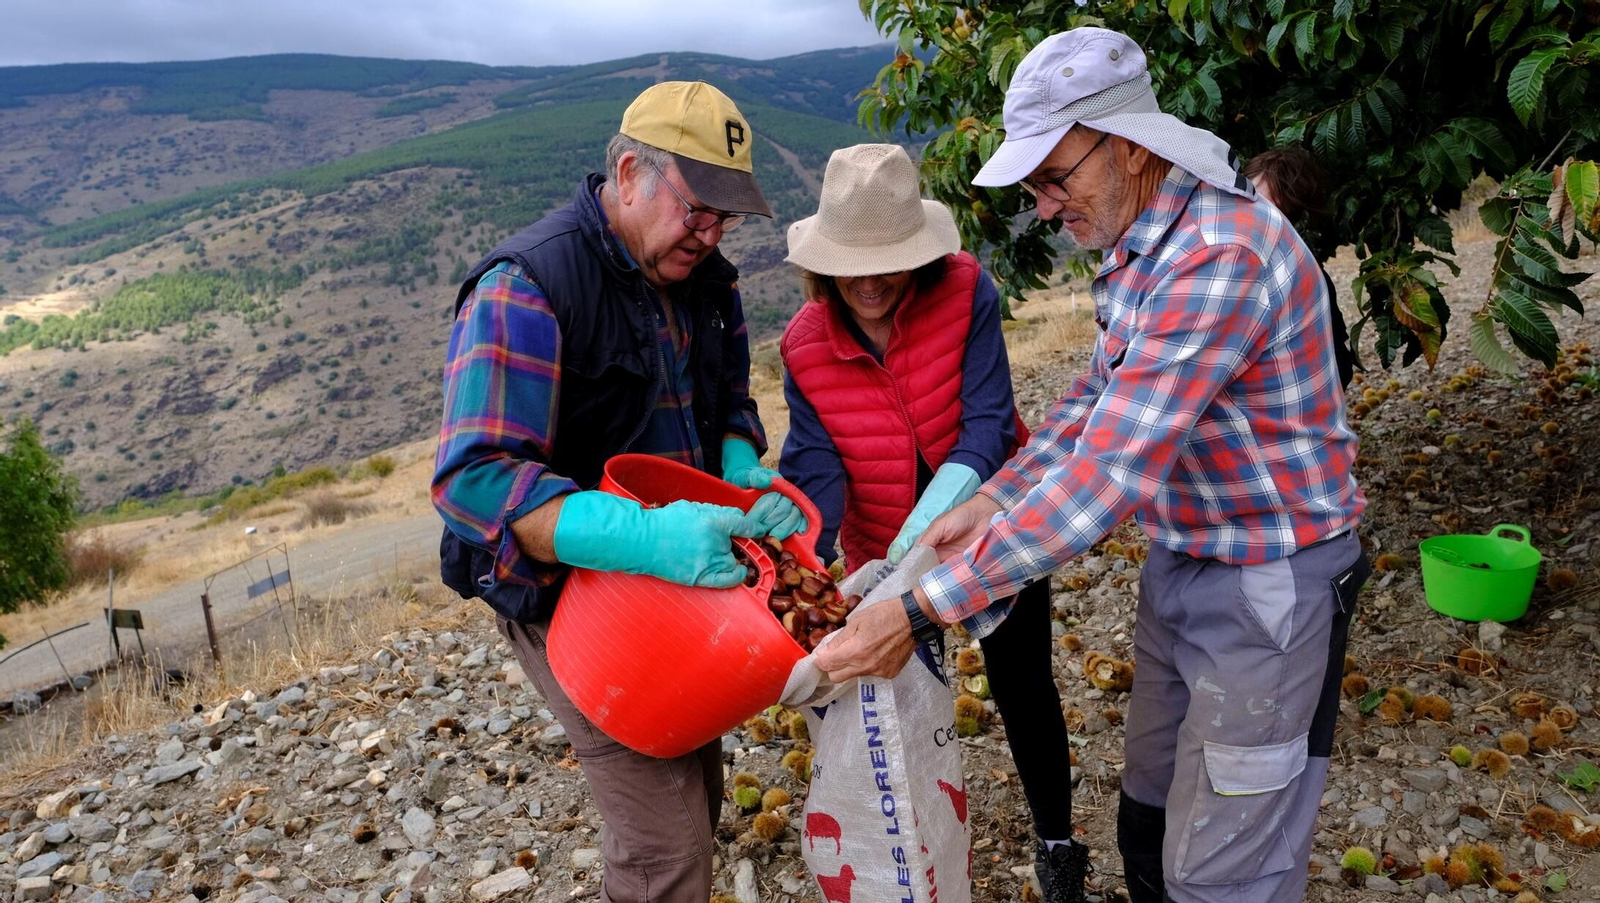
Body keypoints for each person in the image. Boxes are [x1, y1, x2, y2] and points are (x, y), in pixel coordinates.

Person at [814, 28, 1369, 903]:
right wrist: (995, 495)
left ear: (1126, 146)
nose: (1042, 205)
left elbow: (1108, 475)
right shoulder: (1141, 240)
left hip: (1272, 575)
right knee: (1147, 802)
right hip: (1187, 553)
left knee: (1227, 863)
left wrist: (919, 611)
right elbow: (1094, 404)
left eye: (1052, 177)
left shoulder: (1216, 257)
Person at [432, 81, 804, 903]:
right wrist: (647, 535)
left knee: (692, 772)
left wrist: (739, 468)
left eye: (725, 218)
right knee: (664, 840)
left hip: (676, 581)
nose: (710, 235)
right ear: (630, 172)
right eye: (697, 209)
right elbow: (476, 479)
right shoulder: (526, 288)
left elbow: (730, 398)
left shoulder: (709, 284)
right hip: (572, 596)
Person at [776, 143, 1090, 901]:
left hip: (984, 523)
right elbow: (815, 465)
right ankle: (916, 846)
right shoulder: (805, 346)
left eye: (892, 260)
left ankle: (1057, 842)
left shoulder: (964, 292)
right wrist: (805, 579)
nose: (876, 281)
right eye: (856, 265)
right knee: (901, 696)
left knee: (1023, 683)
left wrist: (940, 507)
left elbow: (988, 424)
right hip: (879, 548)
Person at [1244, 147, 1355, 389]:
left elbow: (1339, 366)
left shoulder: (1307, 276)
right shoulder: (1225, 261)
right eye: (1250, 201)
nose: (1255, 214)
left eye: (1270, 209)